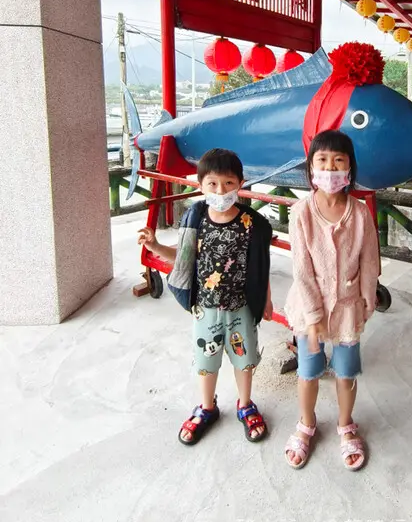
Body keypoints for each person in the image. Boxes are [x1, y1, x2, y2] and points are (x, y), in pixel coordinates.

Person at [137, 148, 273, 446]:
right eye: (212, 183)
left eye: (228, 183)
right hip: (206, 309)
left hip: (242, 308)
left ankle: (246, 404)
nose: (220, 190)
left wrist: (267, 299)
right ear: (200, 184)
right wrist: (156, 245)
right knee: (205, 362)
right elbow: (183, 258)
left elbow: (261, 265)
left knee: (245, 361)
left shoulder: (252, 224)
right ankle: (207, 407)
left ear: (241, 183)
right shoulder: (195, 218)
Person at [284, 129, 380, 471]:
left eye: (338, 161)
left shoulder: (360, 213)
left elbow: (370, 260)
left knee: (345, 372)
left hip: (348, 309)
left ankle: (345, 425)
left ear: (350, 169)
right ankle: (306, 424)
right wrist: (312, 316)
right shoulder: (301, 213)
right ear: (311, 168)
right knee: (308, 372)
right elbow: (301, 270)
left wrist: (367, 301)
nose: (330, 168)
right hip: (309, 311)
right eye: (322, 161)